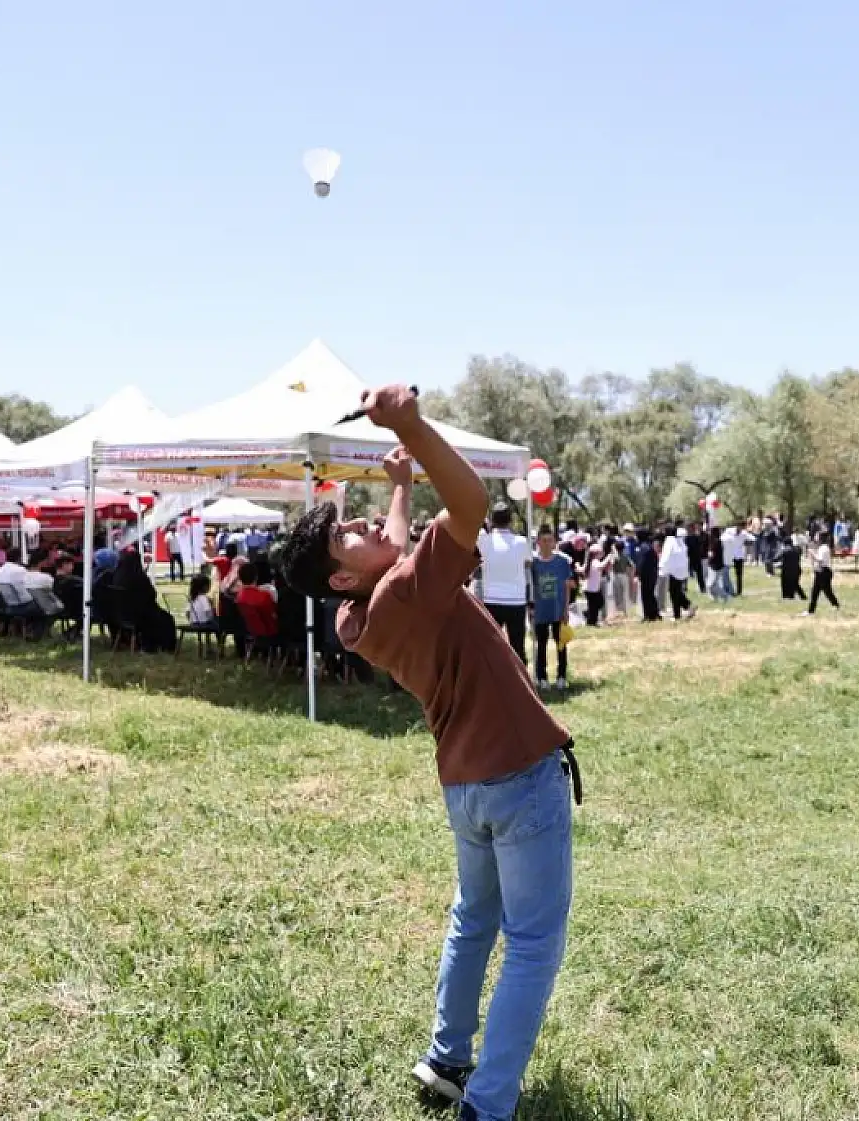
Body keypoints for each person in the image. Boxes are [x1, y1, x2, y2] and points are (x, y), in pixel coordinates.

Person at [275, 386, 576, 1121]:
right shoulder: (410, 588)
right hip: (518, 774)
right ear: (343, 575)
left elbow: (396, 553)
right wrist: (410, 424)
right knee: (533, 943)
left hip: (466, 786)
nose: (369, 523)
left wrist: (402, 487)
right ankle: (488, 1104)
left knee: (475, 916)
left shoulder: (358, 615)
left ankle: (447, 1057)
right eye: (350, 531)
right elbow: (472, 501)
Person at [477, 503, 531, 665]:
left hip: (491, 599)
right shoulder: (521, 542)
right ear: (510, 520)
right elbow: (528, 563)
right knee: (517, 646)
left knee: (490, 646)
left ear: (492, 520)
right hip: (516, 600)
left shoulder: (483, 541)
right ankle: (520, 684)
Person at [529, 527, 574, 689]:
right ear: (538, 542)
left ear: (555, 542)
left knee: (560, 643)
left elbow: (568, 585)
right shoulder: (533, 563)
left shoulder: (562, 562)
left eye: (550, 540)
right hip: (540, 611)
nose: (547, 544)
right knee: (541, 645)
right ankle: (542, 677)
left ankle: (562, 675)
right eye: (544, 540)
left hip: (558, 610)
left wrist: (566, 609)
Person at [112, 548, 178, 652]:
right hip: (138, 614)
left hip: (121, 614)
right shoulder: (138, 577)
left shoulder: (117, 576)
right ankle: (160, 645)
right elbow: (152, 593)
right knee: (166, 619)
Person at [660, 526, 695, 622]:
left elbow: (665, 557)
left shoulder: (669, 541)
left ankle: (679, 613)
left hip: (672, 572)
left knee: (674, 593)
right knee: (677, 592)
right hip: (681, 571)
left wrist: (661, 567)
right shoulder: (679, 542)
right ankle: (686, 607)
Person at [803, 532, 841, 615]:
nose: (815, 538)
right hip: (821, 571)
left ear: (820, 538)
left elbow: (820, 560)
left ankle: (811, 611)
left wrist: (812, 553)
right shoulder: (822, 548)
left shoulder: (824, 548)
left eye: (817, 536)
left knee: (822, 591)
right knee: (820, 591)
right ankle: (835, 605)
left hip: (824, 572)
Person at [635, 529, 661, 622]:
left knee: (646, 595)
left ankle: (649, 615)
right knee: (650, 595)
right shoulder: (649, 547)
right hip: (652, 574)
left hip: (646, 575)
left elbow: (641, 563)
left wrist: (638, 573)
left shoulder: (643, 547)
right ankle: (654, 613)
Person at [581, 544, 609, 627]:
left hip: (590, 588)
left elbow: (582, 569)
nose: (602, 554)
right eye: (600, 552)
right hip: (592, 589)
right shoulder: (595, 562)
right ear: (596, 553)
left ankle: (589, 616)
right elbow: (601, 566)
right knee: (596, 605)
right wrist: (608, 558)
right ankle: (591, 621)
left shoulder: (590, 562)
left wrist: (578, 566)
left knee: (596, 604)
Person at [778, 534, 806, 600]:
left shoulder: (784, 550)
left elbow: (777, 558)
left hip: (786, 570)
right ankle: (800, 596)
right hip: (797, 569)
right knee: (795, 584)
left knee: (784, 583)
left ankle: (786, 596)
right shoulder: (797, 549)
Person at [722, 523, 747, 595]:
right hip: (729, 552)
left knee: (739, 573)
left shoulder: (744, 533)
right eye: (740, 527)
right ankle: (727, 589)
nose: (740, 529)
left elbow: (751, 538)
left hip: (738, 553)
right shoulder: (729, 531)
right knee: (725, 571)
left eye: (742, 528)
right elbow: (723, 537)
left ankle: (739, 591)